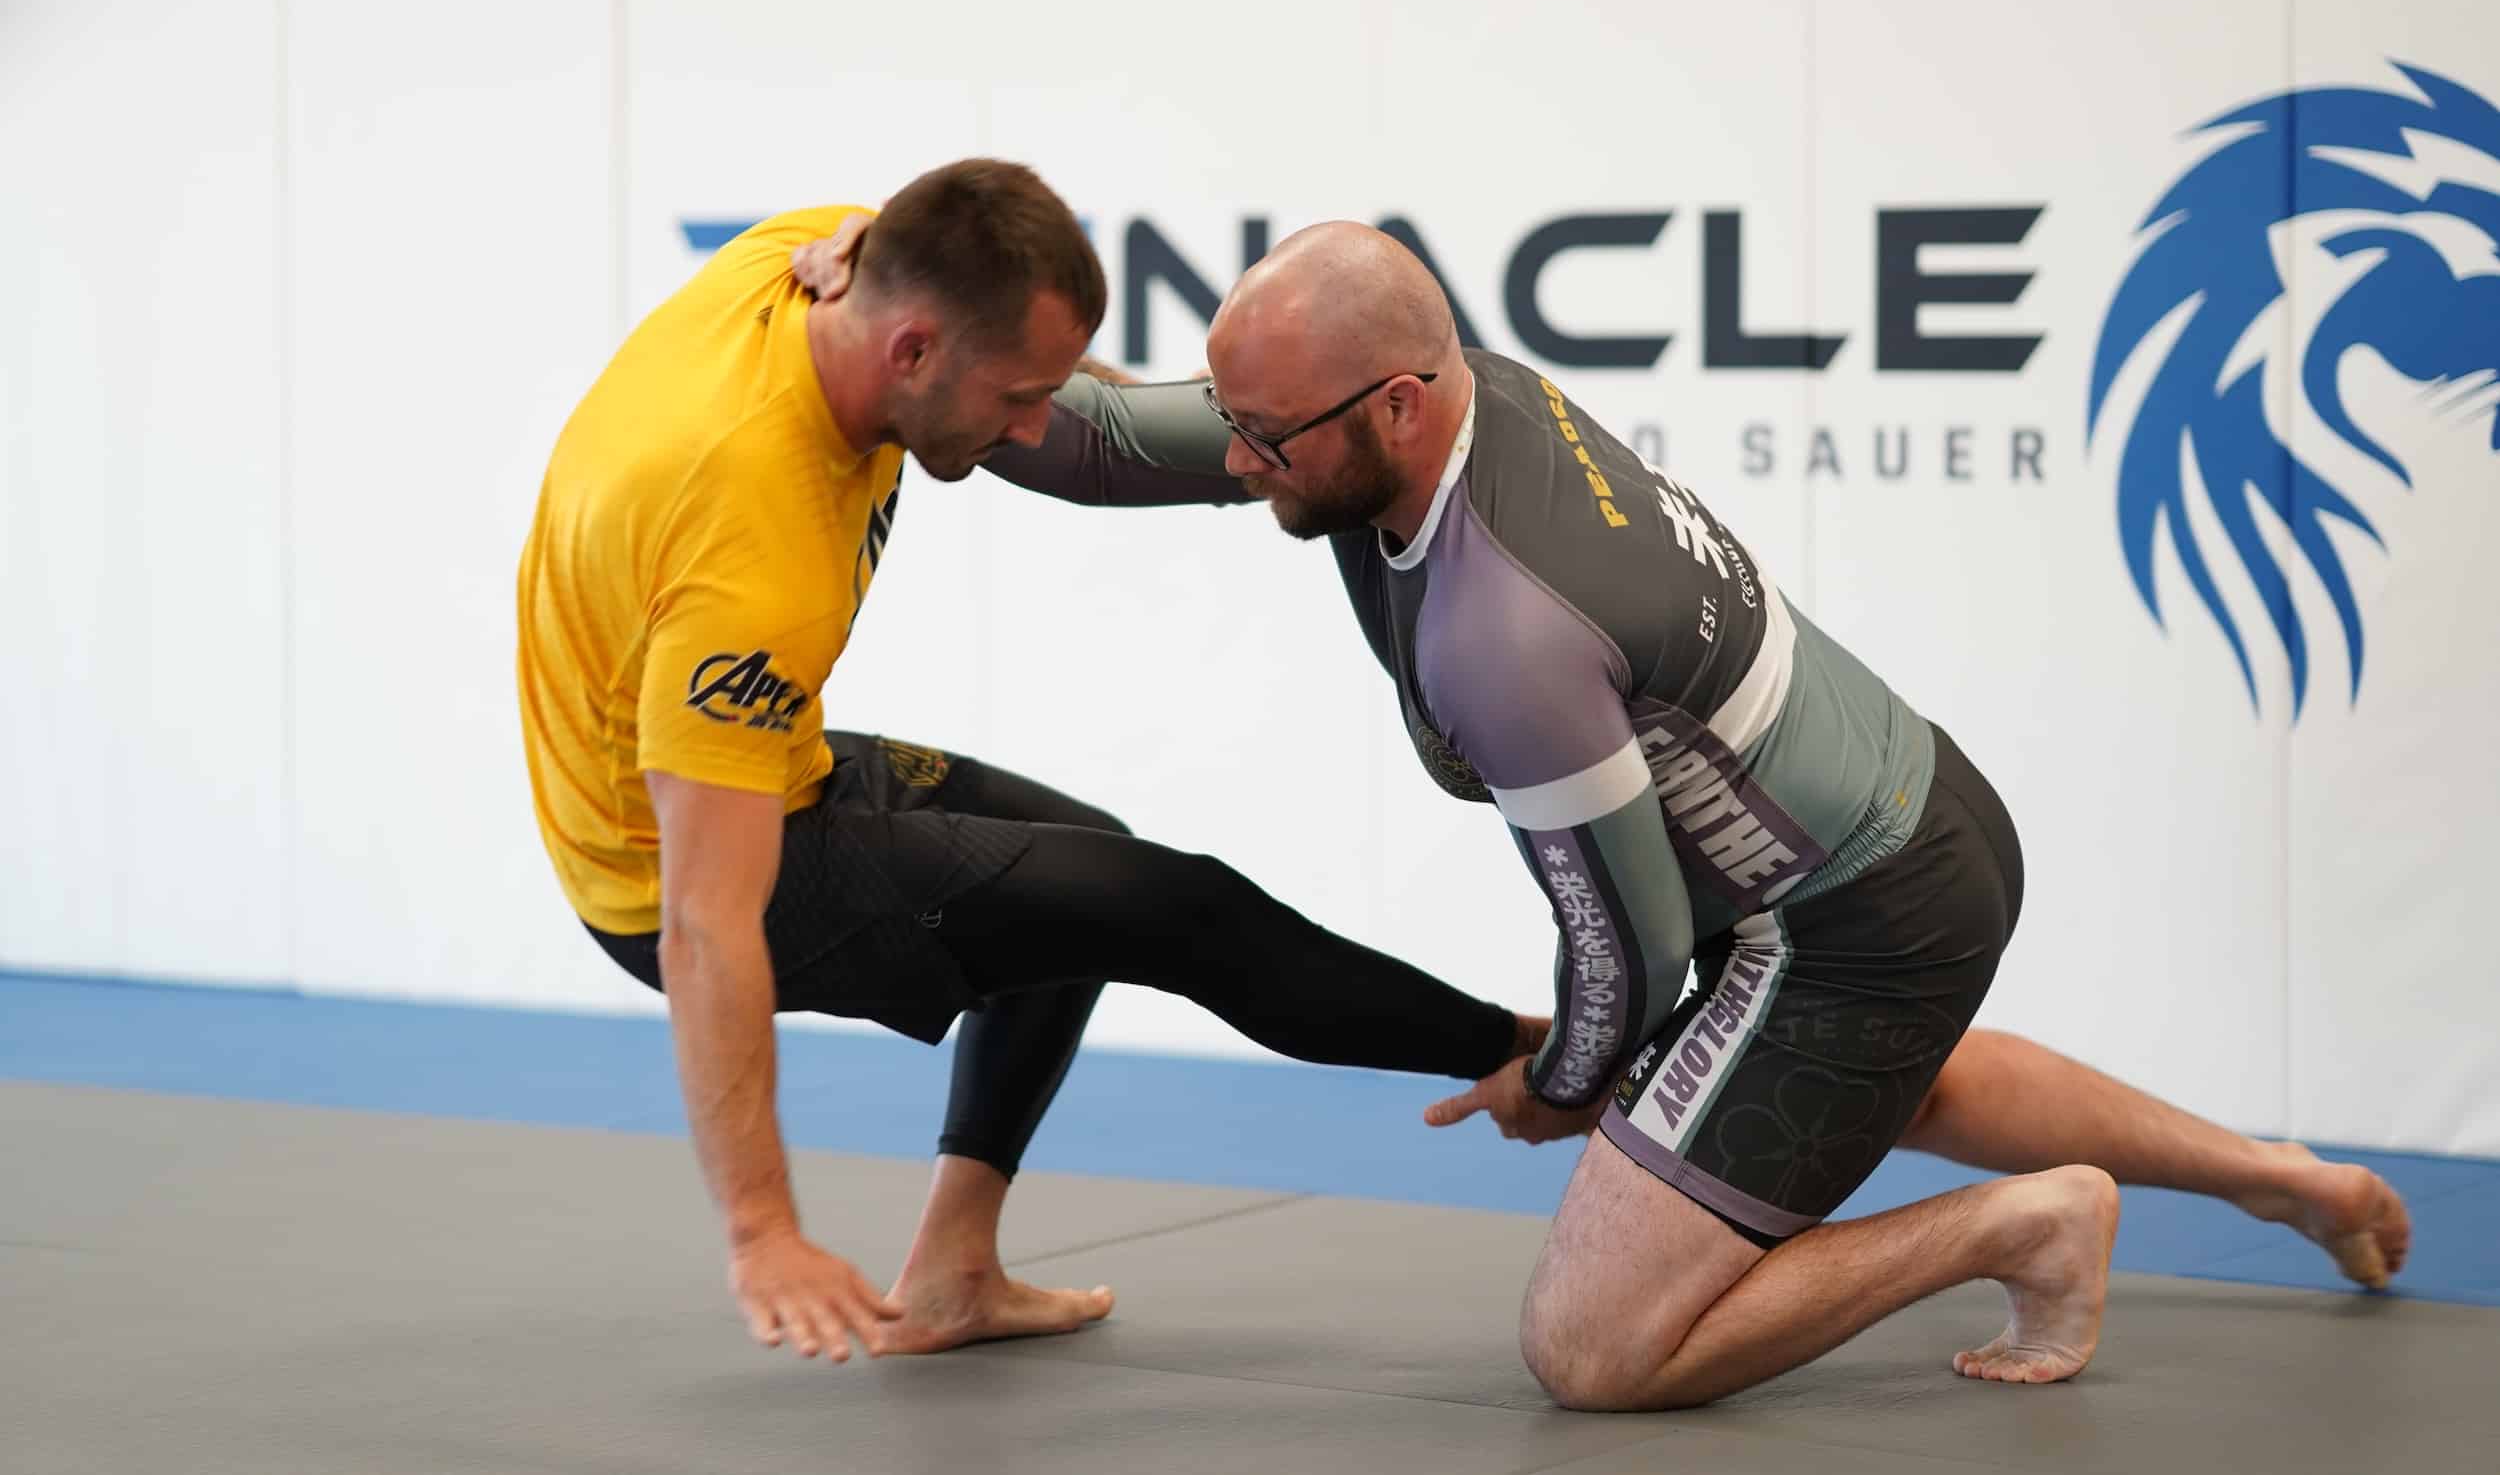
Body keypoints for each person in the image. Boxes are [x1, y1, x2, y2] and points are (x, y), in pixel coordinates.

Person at [835, 218, 2414, 1407]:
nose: (1238, 463)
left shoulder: (1500, 623)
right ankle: (2290, 1177)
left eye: (1265, 436)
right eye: (1234, 420)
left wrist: (1556, 1078)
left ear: (1390, 406)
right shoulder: (1444, 399)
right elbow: (1110, 438)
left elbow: (1634, 945)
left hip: (1847, 914)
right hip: (1906, 815)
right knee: (1890, 1080)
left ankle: (2029, 1221)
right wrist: (913, 339)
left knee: (1593, 1347)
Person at [515, 171, 1542, 1370]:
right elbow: (702, 920)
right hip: (665, 864)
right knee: (1175, 907)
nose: (1028, 431)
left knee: (1080, 858)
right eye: (1015, 400)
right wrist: (762, 1233)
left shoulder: (814, 261)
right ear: (909, 348)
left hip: (756, 760)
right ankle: (1517, 1049)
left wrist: (1281, 453)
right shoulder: (751, 543)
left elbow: (899, 234)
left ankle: (950, 1271)